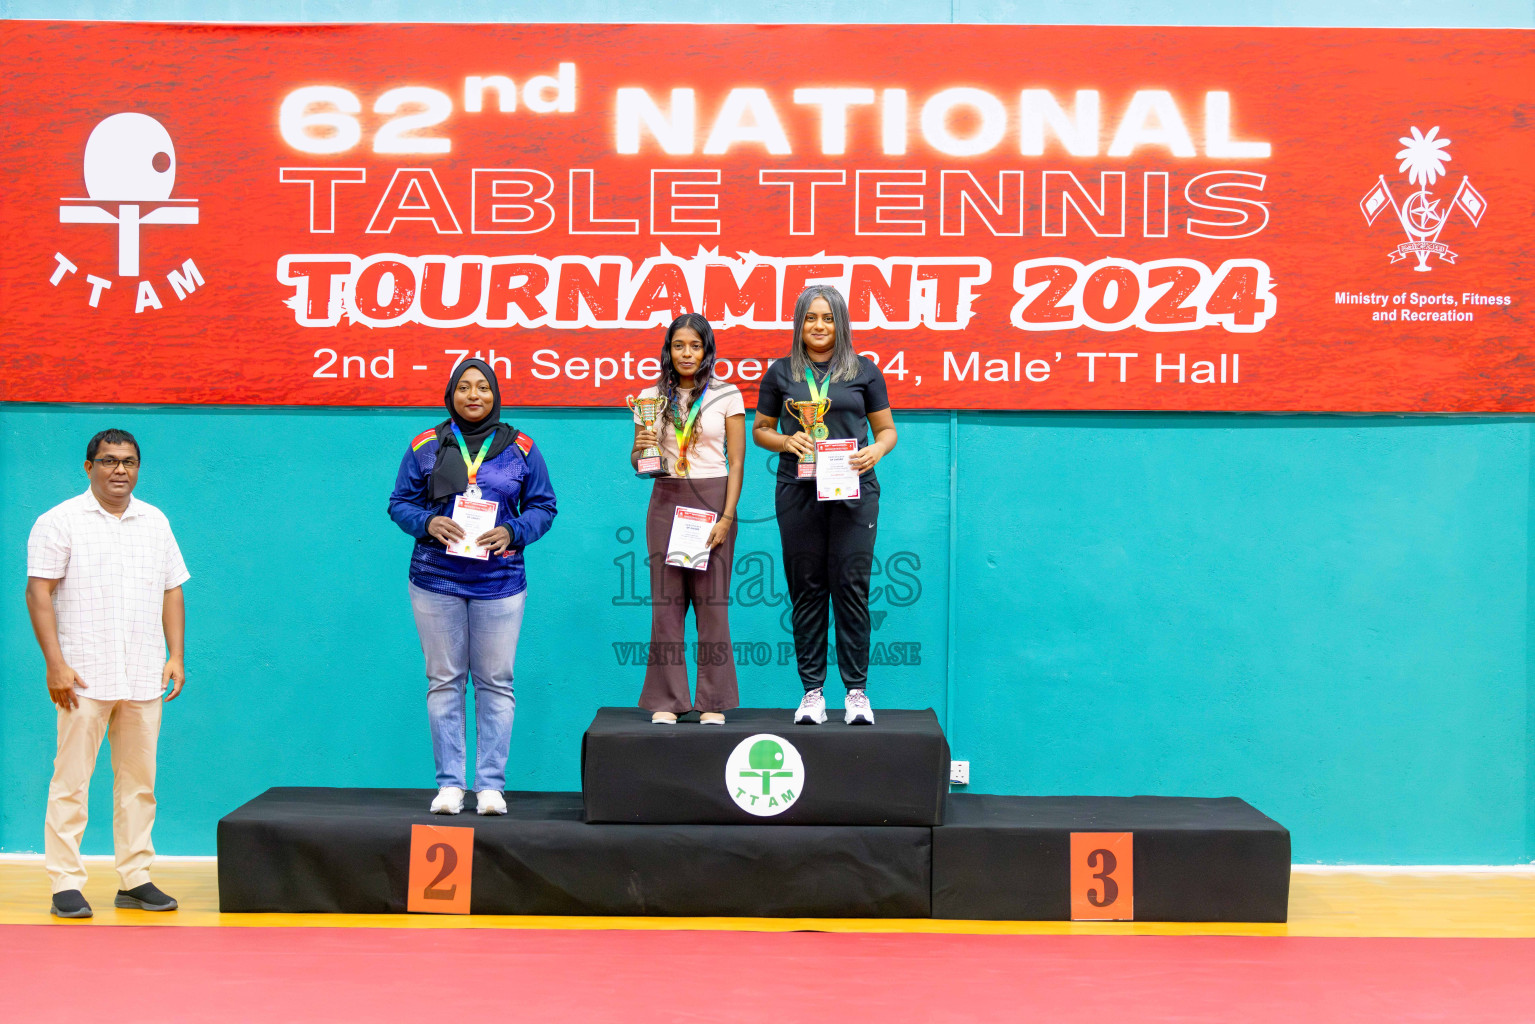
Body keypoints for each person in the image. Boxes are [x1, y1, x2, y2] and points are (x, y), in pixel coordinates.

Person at [24, 429, 189, 919]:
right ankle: (65, 884)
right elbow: (38, 593)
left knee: (140, 783)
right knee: (71, 781)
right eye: (110, 461)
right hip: (83, 675)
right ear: (88, 466)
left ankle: (135, 878)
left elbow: (172, 590)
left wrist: (175, 655)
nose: (121, 470)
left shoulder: (155, 521)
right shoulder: (59, 522)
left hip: (142, 673)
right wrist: (55, 663)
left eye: (130, 462)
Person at [388, 359, 557, 815]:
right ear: (451, 394)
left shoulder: (521, 446)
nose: (474, 395)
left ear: (495, 393)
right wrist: (427, 521)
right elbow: (399, 503)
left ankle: (489, 787)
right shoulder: (426, 445)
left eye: (483, 387)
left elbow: (544, 505)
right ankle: (449, 785)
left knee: (496, 683)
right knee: (444, 682)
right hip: (434, 579)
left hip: (500, 582)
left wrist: (514, 532)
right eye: (464, 387)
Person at [752, 286, 897, 726]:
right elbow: (760, 429)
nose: (819, 326)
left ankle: (856, 693)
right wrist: (786, 439)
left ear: (841, 323)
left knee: (851, 589)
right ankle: (812, 694)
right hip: (798, 490)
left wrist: (876, 452)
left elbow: (887, 430)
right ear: (800, 322)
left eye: (828, 318)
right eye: (811, 318)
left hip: (853, 489)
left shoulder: (865, 371)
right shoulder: (781, 373)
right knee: (807, 590)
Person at [629, 313, 746, 724]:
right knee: (667, 605)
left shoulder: (727, 395)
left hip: (713, 501)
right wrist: (642, 446)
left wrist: (727, 517)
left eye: (695, 345)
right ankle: (669, 700)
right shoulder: (650, 397)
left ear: (706, 350)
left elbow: (736, 463)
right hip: (666, 500)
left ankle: (712, 700)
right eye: (679, 345)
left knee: (712, 605)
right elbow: (639, 463)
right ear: (668, 350)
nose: (687, 353)